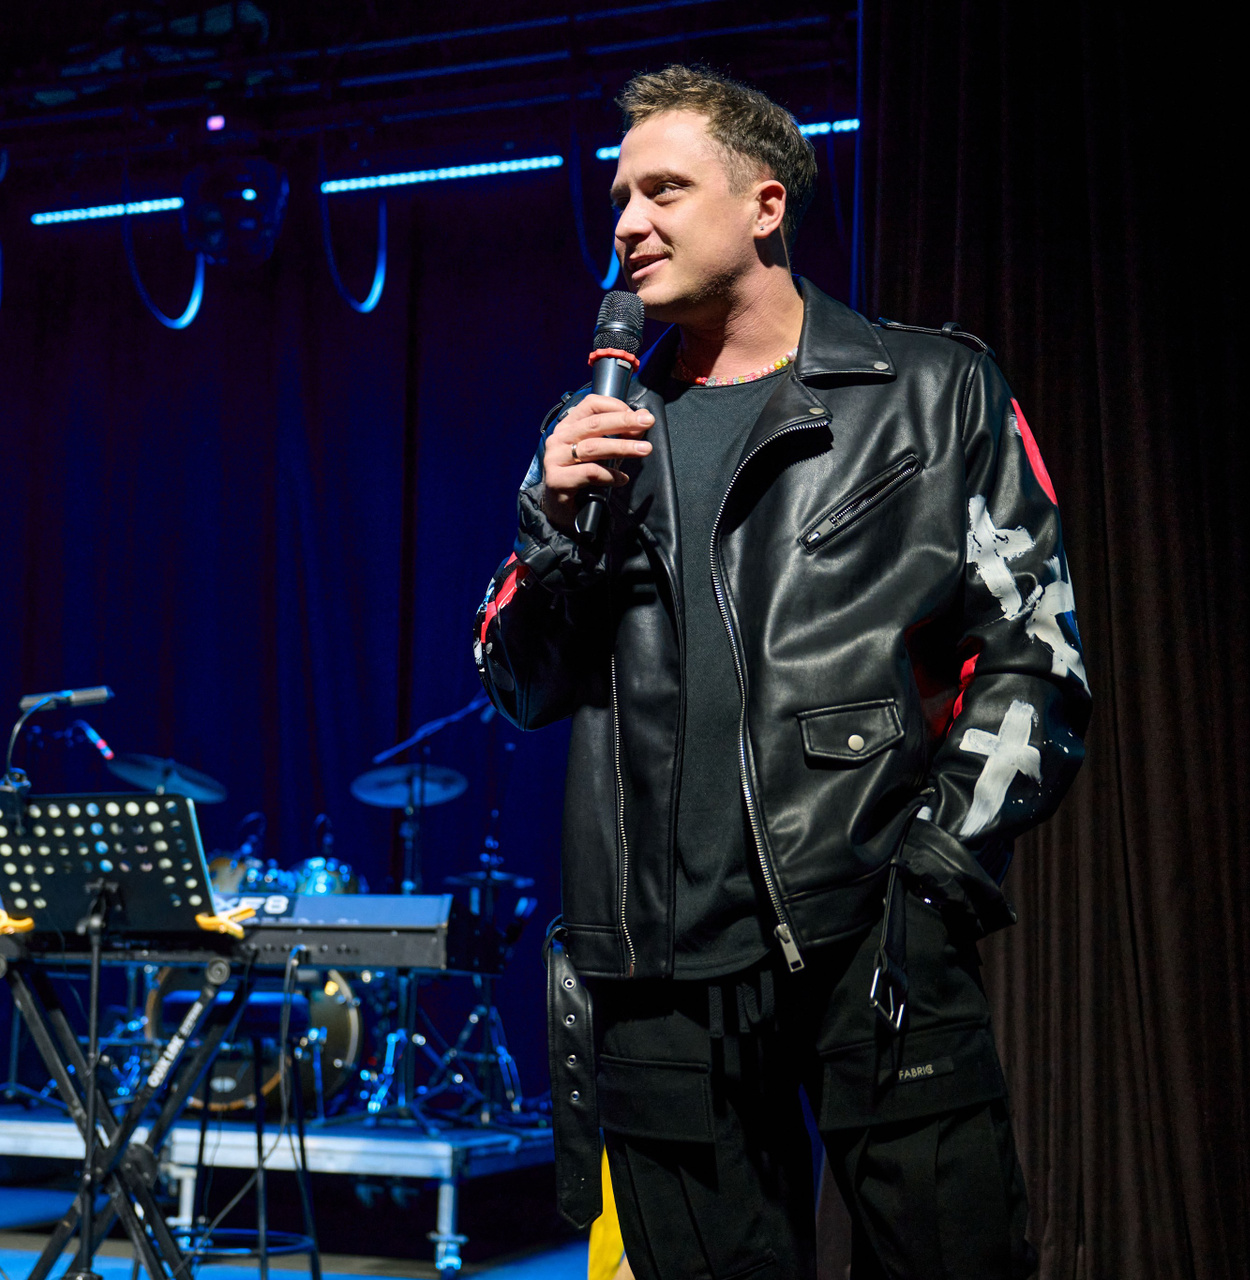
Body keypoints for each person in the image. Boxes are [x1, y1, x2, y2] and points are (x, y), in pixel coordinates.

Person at [473, 65, 1091, 1279]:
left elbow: (1039, 654)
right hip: (656, 972)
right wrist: (551, 525)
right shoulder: (596, 434)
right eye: (618, 198)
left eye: (663, 189)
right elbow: (520, 684)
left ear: (766, 204)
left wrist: (934, 876)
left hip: (873, 937)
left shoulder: (931, 389)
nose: (627, 222)